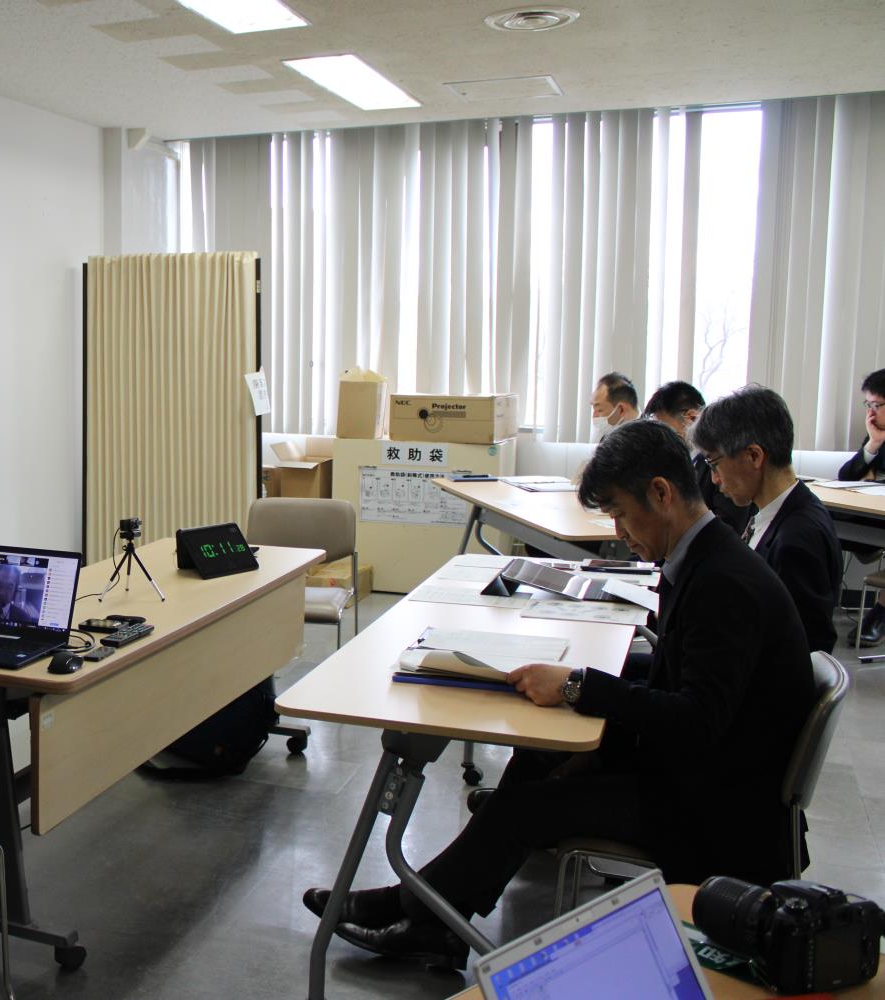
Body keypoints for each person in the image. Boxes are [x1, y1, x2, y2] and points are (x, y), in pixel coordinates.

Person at [301, 420, 814, 968]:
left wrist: (579, 685)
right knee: (536, 756)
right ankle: (437, 918)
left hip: (716, 811)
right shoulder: (707, 559)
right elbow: (679, 679)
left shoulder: (722, 582)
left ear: (661, 493)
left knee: (524, 806)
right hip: (706, 775)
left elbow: (696, 719)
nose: (619, 531)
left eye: (619, 511)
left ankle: (417, 906)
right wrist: (584, 681)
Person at [691, 386, 842, 652]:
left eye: (714, 464)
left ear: (754, 456)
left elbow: (805, 647)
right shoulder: (773, 510)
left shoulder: (797, 539)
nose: (714, 480)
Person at [643, 380, 755, 536]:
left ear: (691, 418)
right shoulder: (683, 461)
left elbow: (728, 526)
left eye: (665, 429)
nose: (662, 439)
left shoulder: (723, 461)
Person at [839, 368, 885, 644]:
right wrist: (874, 445)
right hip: (869, 517)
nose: (870, 413)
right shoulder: (877, 436)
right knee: (821, 522)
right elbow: (846, 477)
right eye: (867, 405)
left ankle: (880, 611)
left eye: (877, 405)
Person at [589, 371, 639, 441]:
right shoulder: (608, 437)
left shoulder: (647, 438)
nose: (594, 416)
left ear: (621, 409)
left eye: (600, 410)